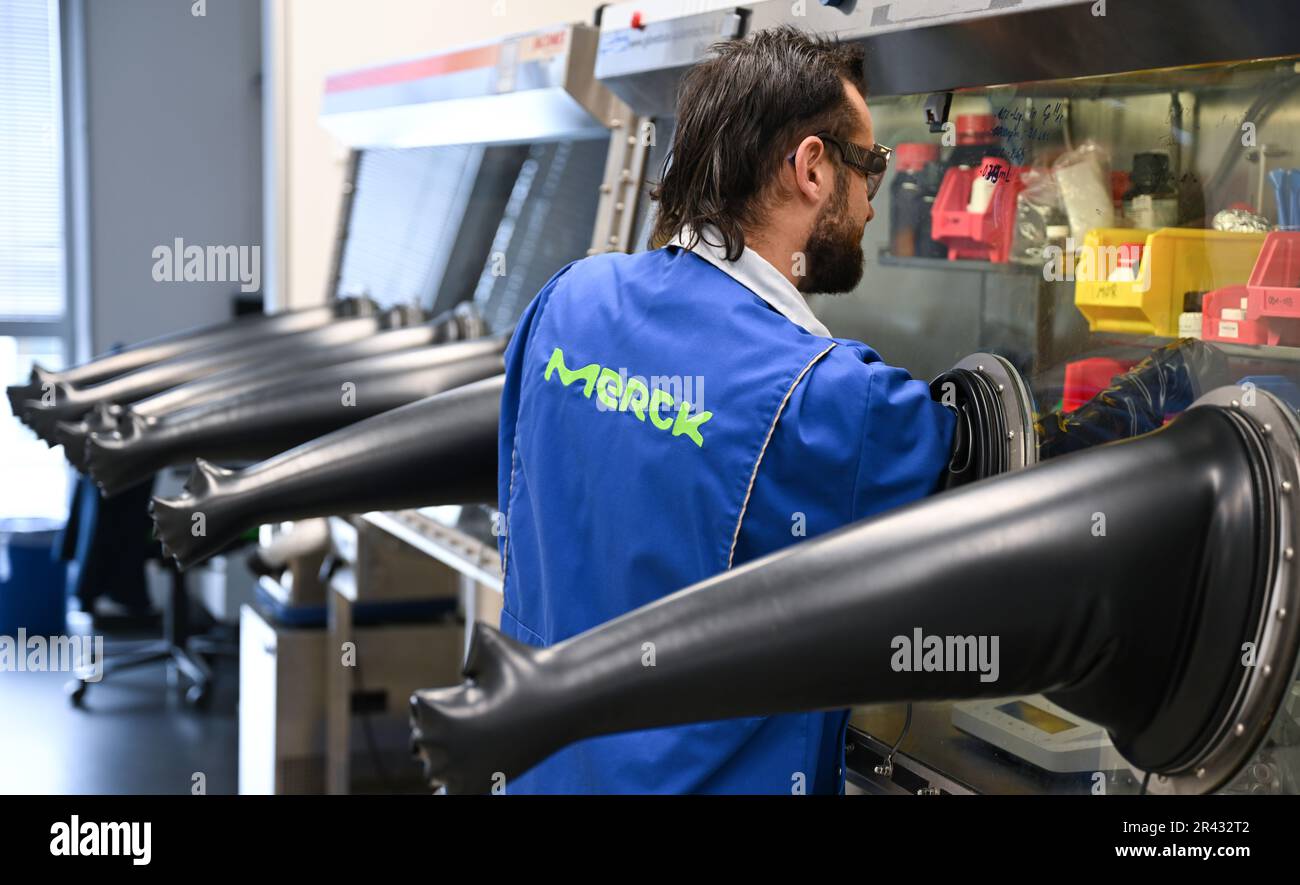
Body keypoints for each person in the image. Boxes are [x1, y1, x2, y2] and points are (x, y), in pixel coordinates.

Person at [494, 26, 956, 793]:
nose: (874, 204)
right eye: (870, 167)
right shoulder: (835, 398)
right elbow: (998, 481)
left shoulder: (564, 300)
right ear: (812, 167)